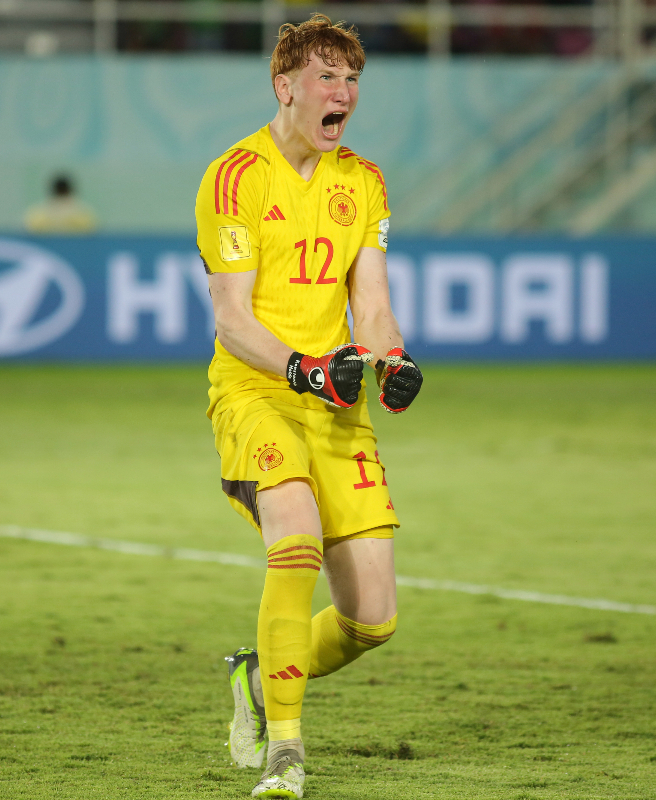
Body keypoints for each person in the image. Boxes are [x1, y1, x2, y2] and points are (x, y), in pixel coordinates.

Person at [193, 14, 423, 799]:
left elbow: (374, 302)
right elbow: (231, 317)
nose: (345, 95)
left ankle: (259, 676)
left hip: (334, 402)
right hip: (258, 391)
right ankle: (284, 754)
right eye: (329, 79)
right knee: (294, 541)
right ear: (284, 86)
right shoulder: (234, 177)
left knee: (372, 621)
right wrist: (301, 369)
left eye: (353, 81)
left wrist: (392, 359)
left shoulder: (363, 180)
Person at [24, 173, 98, 234]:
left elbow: (32, 228)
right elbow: (90, 230)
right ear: (70, 190)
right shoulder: (81, 211)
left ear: (53, 190)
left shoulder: (40, 211)